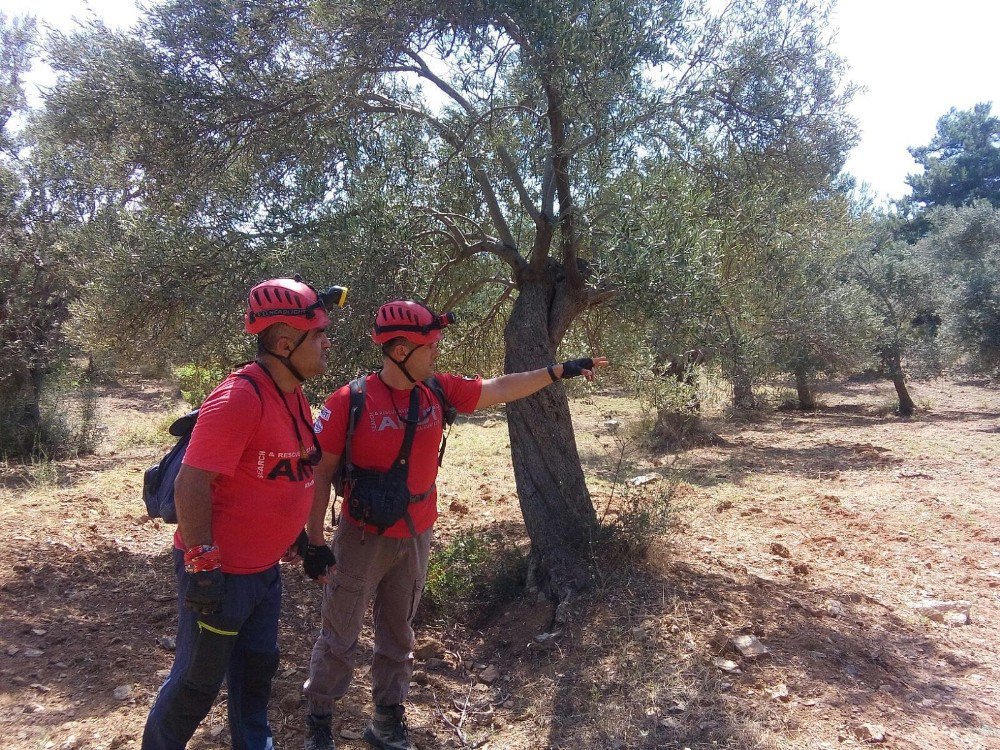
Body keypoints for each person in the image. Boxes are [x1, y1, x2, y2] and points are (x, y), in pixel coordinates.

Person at [300, 299, 608, 750]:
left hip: (416, 533)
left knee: (398, 633)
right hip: (361, 537)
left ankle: (387, 721)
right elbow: (321, 473)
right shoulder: (349, 401)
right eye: (429, 346)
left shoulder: (438, 390)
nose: (436, 354)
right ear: (400, 350)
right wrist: (314, 541)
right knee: (340, 636)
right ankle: (319, 725)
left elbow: (500, 388)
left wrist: (557, 370)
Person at [142, 277, 347, 750]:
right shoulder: (239, 397)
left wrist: (297, 540)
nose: (326, 342)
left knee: (256, 674)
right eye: (318, 334)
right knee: (196, 683)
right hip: (222, 576)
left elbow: (276, 472)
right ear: (283, 342)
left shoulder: (291, 392)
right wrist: (202, 565)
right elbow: (191, 483)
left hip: (262, 574)